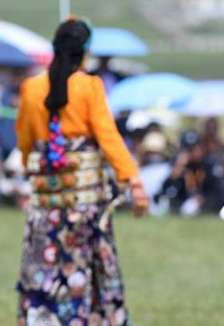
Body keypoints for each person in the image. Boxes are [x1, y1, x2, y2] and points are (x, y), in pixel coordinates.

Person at [14, 16, 149, 325]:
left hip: (45, 206)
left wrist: (33, 171)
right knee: (88, 272)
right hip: (84, 209)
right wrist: (133, 182)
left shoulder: (32, 89)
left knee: (43, 269)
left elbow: (24, 140)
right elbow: (108, 137)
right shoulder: (89, 87)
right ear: (85, 53)